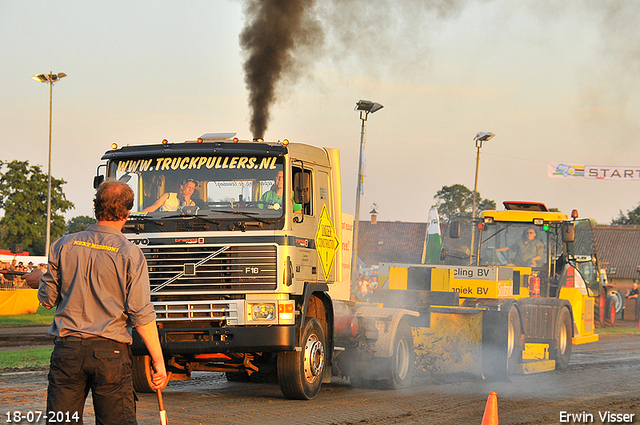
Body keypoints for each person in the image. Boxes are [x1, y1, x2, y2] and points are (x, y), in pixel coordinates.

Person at [38, 180, 166, 424]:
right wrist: (158, 362)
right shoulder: (131, 253)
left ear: (95, 207)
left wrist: (40, 279)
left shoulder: (63, 245)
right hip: (112, 353)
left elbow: (47, 300)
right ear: (127, 212)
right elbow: (141, 314)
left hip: (68, 351)